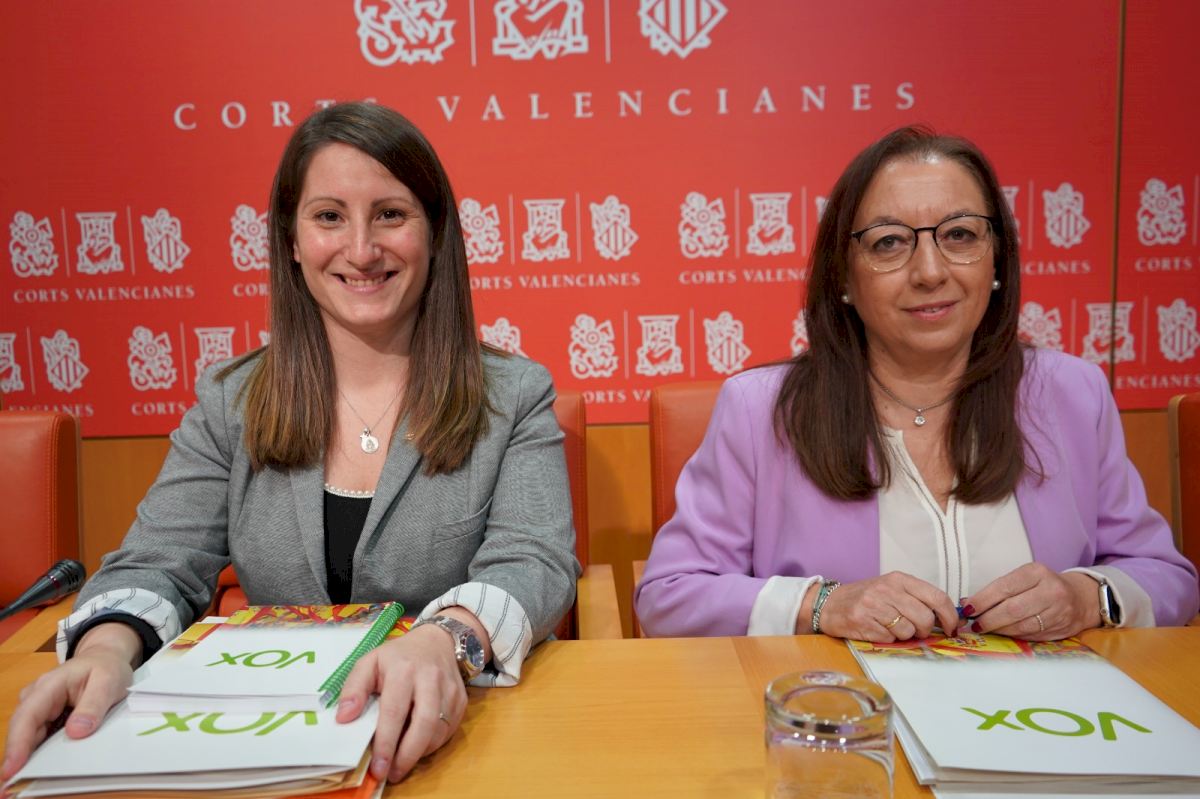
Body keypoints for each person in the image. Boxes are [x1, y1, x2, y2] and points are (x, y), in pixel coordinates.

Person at [2, 102, 580, 783]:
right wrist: (105, 650)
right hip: (265, 747)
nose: (361, 250)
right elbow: (158, 560)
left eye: (390, 214)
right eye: (329, 216)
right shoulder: (231, 400)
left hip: (450, 742)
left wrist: (445, 639)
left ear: (434, 233)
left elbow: (533, 560)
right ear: (292, 241)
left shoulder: (513, 394)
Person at [635, 126, 1199, 642]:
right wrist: (820, 604)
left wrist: (1088, 596)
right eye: (889, 242)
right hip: (846, 712)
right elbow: (669, 596)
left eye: (959, 235)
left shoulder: (1072, 393)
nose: (930, 271)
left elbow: (1166, 576)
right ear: (844, 275)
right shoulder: (761, 409)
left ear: (996, 261)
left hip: (1044, 712)